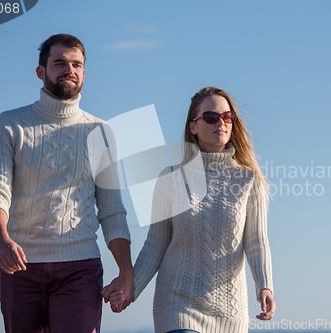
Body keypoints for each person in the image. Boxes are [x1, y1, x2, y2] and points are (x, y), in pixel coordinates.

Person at [0, 34, 134, 333]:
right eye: (59, 63)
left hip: (80, 267)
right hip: (19, 266)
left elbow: (113, 210)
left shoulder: (101, 132)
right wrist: (0, 239)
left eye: (77, 64)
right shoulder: (9, 124)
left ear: (84, 73)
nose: (69, 69)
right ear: (41, 71)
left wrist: (125, 271)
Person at [104, 87, 276, 333]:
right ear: (193, 126)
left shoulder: (248, 180)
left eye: (228, 117)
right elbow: (156, 244)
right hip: (177, 305)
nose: (221, 123)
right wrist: (131, 289)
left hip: (230, 311)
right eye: (211, 117)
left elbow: (257, 242)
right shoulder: (171, 178)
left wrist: (265, 287)